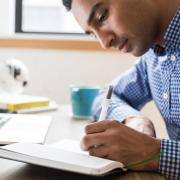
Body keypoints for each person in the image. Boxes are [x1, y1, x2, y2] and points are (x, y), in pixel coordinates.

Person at [62, 0, 180, 179]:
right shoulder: (152, 59)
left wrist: (153, 152)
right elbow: (105, 96)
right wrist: (134, 120)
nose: (104, 43)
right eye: (93, 34)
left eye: (102, 17)